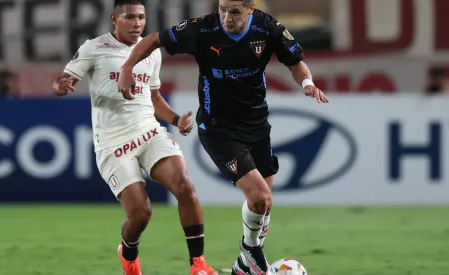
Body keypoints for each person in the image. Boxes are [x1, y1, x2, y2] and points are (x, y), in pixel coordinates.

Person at [117, 0, 329, 274]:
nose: (226, 17)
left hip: (257, 126)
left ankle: (244, 263)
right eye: (222, 9)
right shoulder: (202, 30)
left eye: (235, 11)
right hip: (218, 130)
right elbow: (155, 40)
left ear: (251, 9)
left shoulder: (267, 28)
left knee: (265, 203)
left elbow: (295, 62)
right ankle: (250, 251)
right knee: (260, 197)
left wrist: (308, 84)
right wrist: (127, 67)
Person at [51, 1, 218, 275]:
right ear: (115, 19)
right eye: (130, 17)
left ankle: (198, 264)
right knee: (141, 215)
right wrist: (61, 85)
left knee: (185, 186)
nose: (137, 23)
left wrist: (176, 120)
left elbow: (152, 97)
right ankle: (128, 253)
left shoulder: (151, 53)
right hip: (113, 143)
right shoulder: (94, 48)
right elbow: (62, 79)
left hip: (148, 132)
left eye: (141, 17)